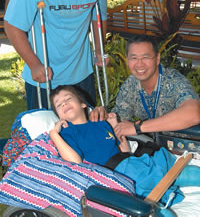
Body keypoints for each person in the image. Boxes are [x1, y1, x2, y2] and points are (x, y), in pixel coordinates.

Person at [49, 84, 200, 210]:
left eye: (68, 99)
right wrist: (54, 134)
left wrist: (115, 127)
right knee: (156, 208)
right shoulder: (68, 134)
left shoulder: (101, 124)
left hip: (132, 163)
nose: (64, 104)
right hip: (118, 175)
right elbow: (75, 162)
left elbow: (124, 150)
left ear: (83, 104)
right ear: (59, 116)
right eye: (59, 105)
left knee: (184, 173)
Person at [90, 35, 200, 139]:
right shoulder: (130, 84)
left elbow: (194, 113)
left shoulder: (173, 80)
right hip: (153, 147)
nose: (139, 64)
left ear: (157, 59)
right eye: (134, 58)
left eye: (145, 57)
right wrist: (103, 115)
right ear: (127, 60)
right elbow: (119, 117)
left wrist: (138, 127)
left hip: (185, 149)